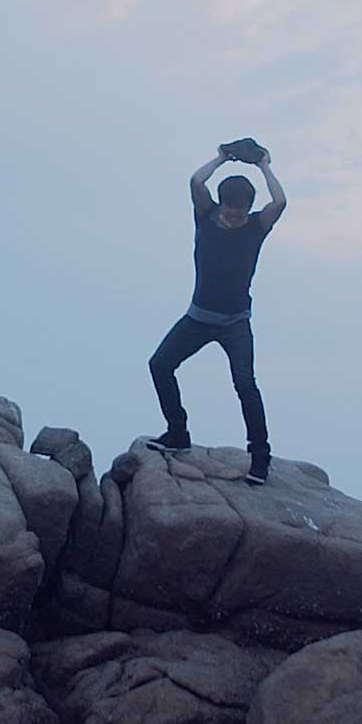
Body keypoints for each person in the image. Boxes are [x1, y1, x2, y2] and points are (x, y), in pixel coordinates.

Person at [146, 139, 286, 485]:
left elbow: (280, 201)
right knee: (160, 365)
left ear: (248, 208)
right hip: (197, 318)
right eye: (230, 207)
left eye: (241, 209)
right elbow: (196, 182)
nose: (234, 214)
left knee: (245, 384)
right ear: (221, 204)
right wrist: (221, 158)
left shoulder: (257, 228)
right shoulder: (206, 216)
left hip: (236, 324)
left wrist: (264, 165)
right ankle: (177, 433)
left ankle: (260, 459)